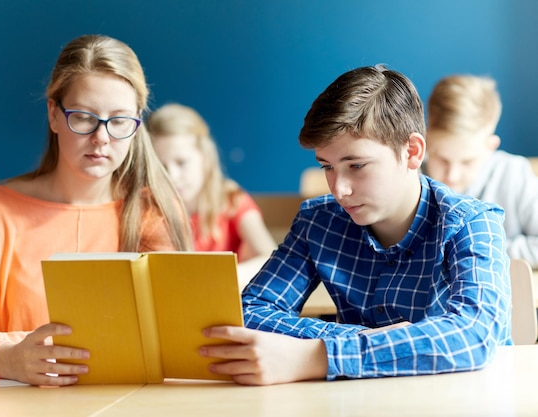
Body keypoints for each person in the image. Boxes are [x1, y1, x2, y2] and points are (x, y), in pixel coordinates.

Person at [199, 65, 511, 385]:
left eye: (357, 165)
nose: (339, 189)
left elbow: (476, 334)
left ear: (412, 152)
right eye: (328, 167)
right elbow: (251, 311)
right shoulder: (318, 221)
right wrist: (361, 339)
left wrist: (318, 356)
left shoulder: (472, 222)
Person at [0, 34, 192, 386]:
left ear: (137, 122)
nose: (101, 138)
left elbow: (176, 341)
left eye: (120, 120)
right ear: (54, 114)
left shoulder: (154, 209)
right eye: (83, 117)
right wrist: (7, 358)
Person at [147, 103, 276, 286]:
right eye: (161, 167)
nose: (172, 177)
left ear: (205, 157)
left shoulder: (231, 199)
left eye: (182, 162)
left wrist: (217, 279)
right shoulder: (146, 207)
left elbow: (270, 256)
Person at [423, 74, 538, 268]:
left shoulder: (514, 174)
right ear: (425, 141)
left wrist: (477, 250)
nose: (452, 175)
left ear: (490, 147)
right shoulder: (413, 178)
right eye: (442, 159)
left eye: (467, 162)